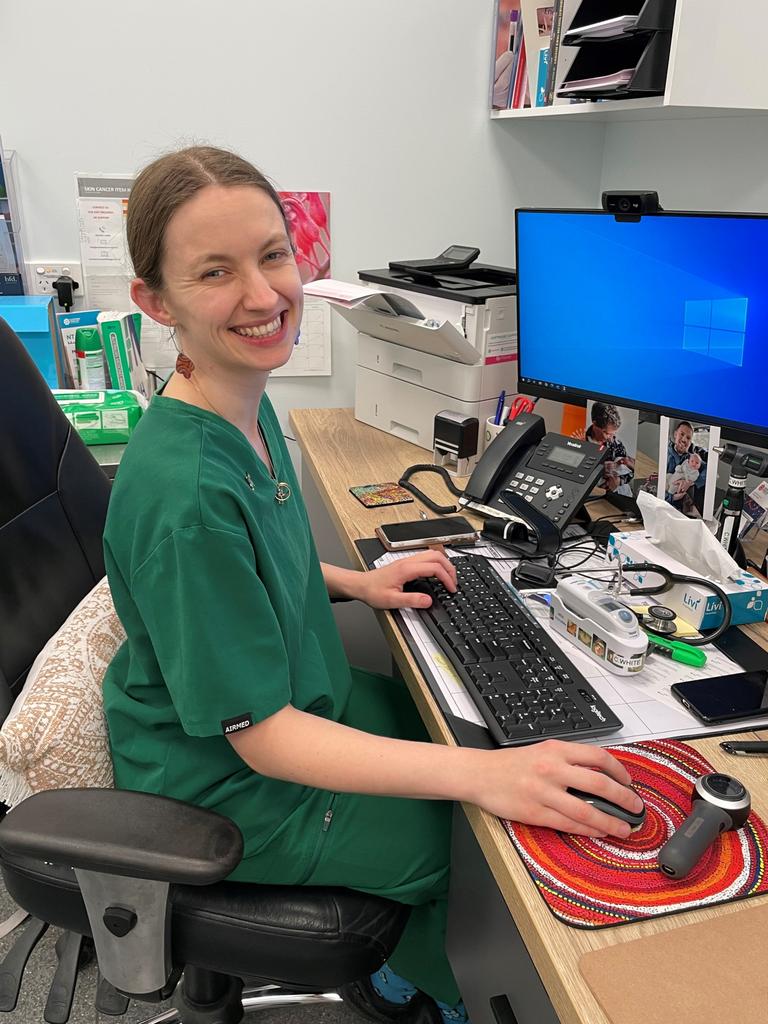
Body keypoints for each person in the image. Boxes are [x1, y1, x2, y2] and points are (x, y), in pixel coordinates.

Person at [102, 146, 642, 1024]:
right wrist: (488, 779)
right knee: (476, 839)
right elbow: (265, 739)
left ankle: (410, 963)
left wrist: (362, 582)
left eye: (273, 255)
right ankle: (438, 986)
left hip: (295, 703)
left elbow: (254, 561)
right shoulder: (185, 491)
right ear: (156, 303)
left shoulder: (238, 399)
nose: (264, 295)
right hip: (230, 784)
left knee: (453, 729)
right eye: (215, 272)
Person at [574, 402, 635, 495]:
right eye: (606, 433)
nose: (610, 437)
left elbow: (631, 472)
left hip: (619, 495)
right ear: (594, 424)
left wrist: (619, 480)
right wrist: (599, 469)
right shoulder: (581, 442)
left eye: (613, 433)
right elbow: (574, 471)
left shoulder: (616, 444)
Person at [665, 421, 708, 514]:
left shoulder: (693, 458)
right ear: (675, 434)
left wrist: (690, 482)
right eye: (682, 434)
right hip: (665, 502)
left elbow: (709, 470)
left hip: (683, 506)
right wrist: (672, 497)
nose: (684, 439)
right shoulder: (664, 453)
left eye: (688, 438)